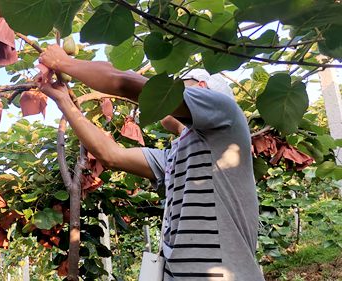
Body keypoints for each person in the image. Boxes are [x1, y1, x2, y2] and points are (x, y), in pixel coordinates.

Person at [38, 45, 264, 280]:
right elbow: (110, 154)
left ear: (201, 89)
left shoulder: (224, 113)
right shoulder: (174, 156)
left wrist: (65, 63)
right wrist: (63, 100)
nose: (167, 91)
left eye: (178, 84)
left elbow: (125, 82)